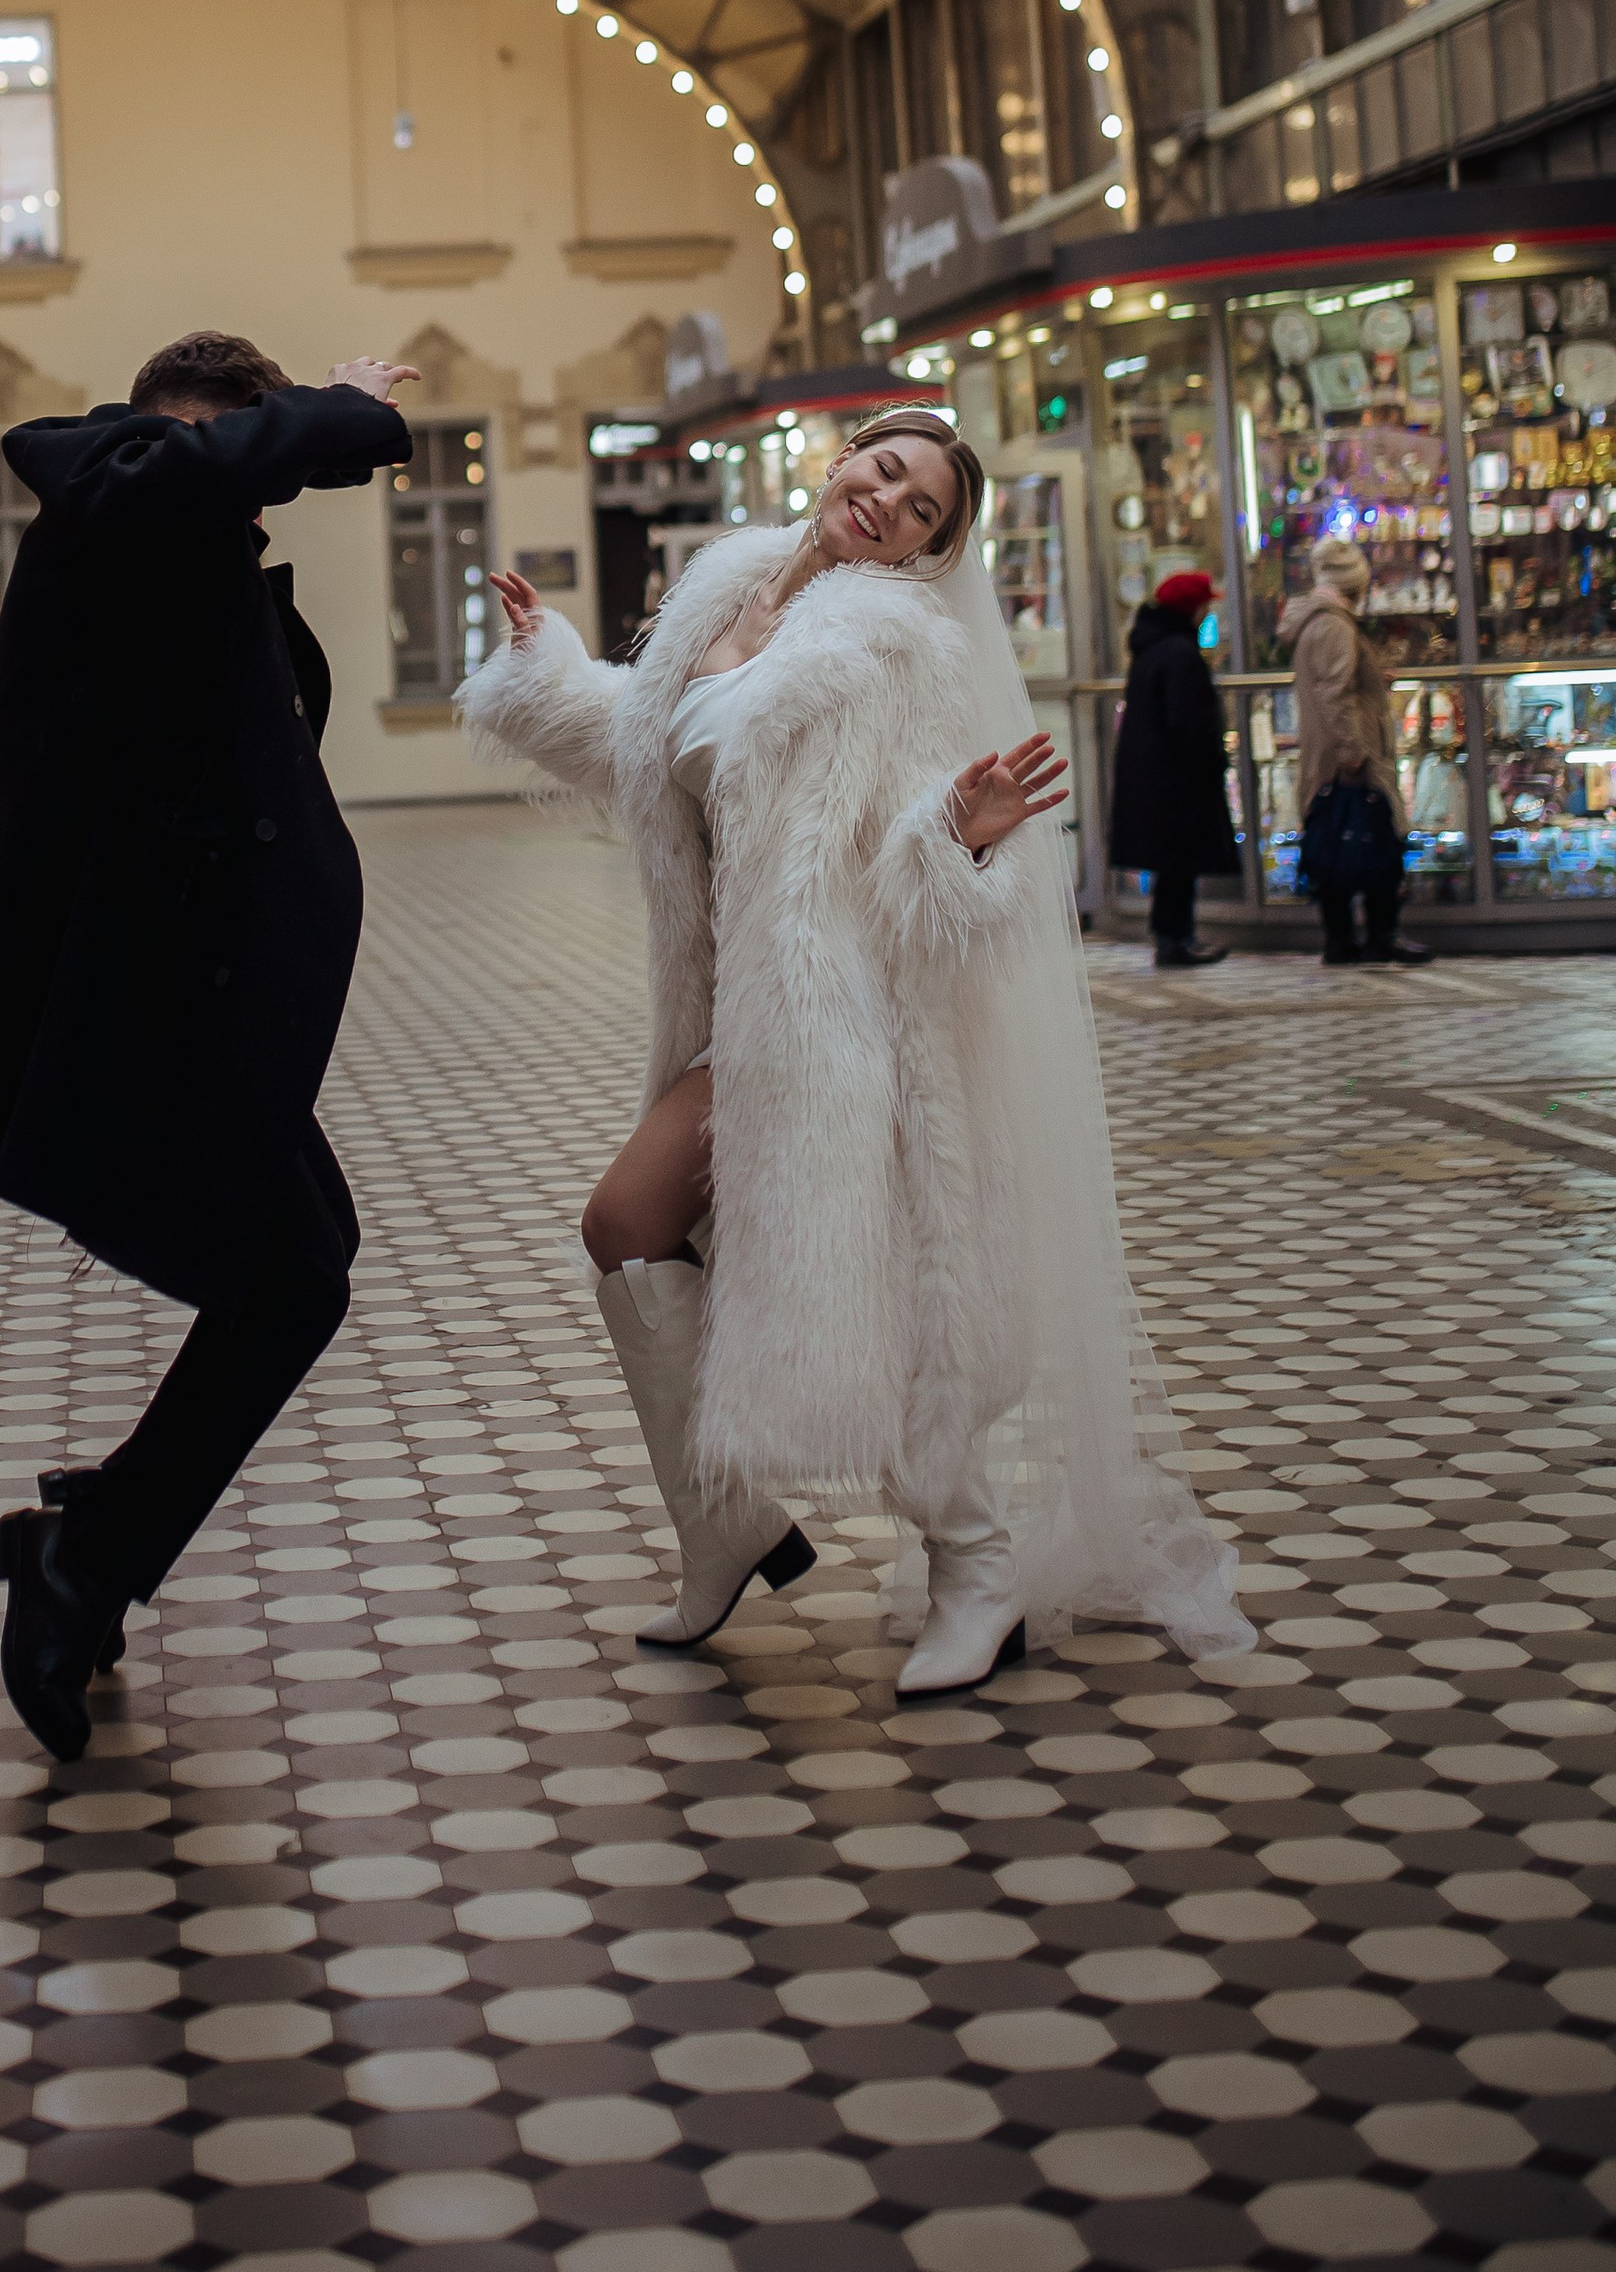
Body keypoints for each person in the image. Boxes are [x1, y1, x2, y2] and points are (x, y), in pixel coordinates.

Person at [463, 407, 1249, 1699]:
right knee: (630, 1233)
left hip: (848, 1031)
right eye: (883, 469)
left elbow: (911, 865)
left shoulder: (892, 651)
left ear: (927, 550)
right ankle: (724, 1521)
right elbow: (648, 744)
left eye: (923, 507)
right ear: (839, 465)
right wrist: (542, 662)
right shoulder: (728, 589)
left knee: (883, 1319)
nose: (889, 500)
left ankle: (976, 1571)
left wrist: (964, 830)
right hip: (744, 1019)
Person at [0, 331, 416, 1761]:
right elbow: (168, 472)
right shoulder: (105, 499)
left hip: (191, 984)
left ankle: (94, 1533)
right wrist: (346, 414)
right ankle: (89, 1553)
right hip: (148, 995)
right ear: (152, 430)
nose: (212, 482)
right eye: (196, 447)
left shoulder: (182, 538)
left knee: (310, 1264)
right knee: (299, 1277)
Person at [1279, 541, 1429, 965]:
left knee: (1337, 838)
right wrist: (1354, 752)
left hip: (1330, 751)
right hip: (1346, 753)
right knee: (1373, 836)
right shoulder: (1333, 625)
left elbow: (1337, 683)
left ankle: (1344, 937)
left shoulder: (1323, 621)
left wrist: (1373, 680)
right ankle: (1376, 935)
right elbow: (1335, 692)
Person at [1108, 568, 1239, 967]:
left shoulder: (1152, 648)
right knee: (1181, 862)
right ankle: (1176, 938)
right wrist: (1211, 761)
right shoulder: (1180, 653)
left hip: (1159, 776)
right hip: (1178, 777)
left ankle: (1174, 936)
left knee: (1174, 863)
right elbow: (1190, 722)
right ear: (1193, 609)